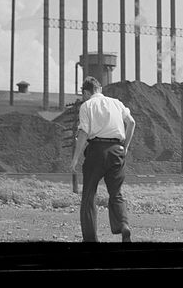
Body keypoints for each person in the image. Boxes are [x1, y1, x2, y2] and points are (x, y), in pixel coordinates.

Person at [70, 76, 136, 243]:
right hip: (117, 150)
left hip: (96, 151)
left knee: (89, 195)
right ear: (99, 89)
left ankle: (91, 239)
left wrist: (75, 159)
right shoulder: (116, 103)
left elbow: (84, 133)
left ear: (86, 92)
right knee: (116, 193)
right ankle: (123, 225)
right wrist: (125, 146)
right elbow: (132, 122)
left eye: (83, 94)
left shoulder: (86, 105)